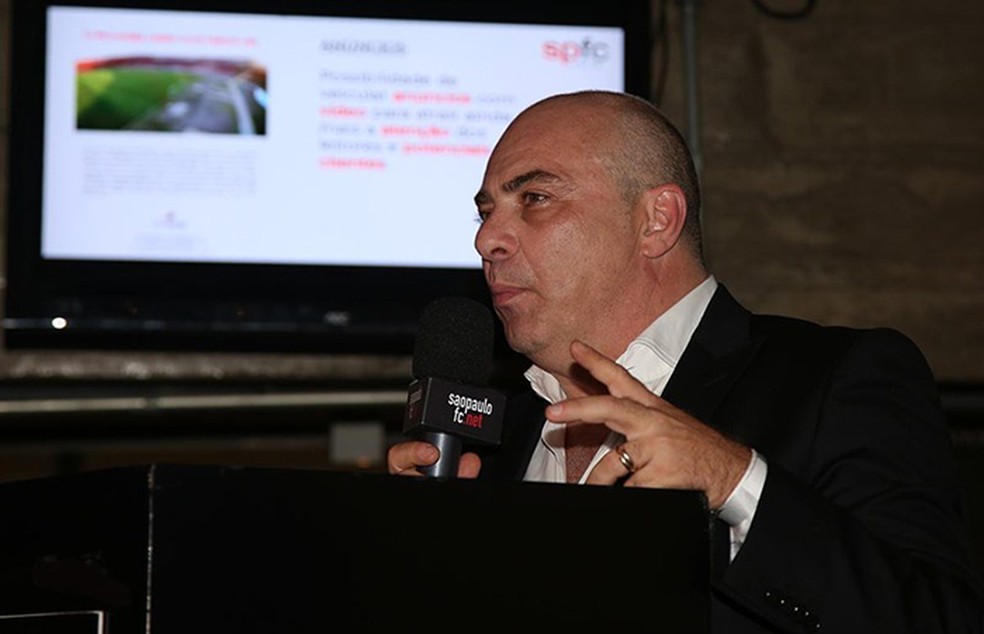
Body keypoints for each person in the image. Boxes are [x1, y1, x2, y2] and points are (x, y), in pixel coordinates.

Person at [386, 90, 984, 632]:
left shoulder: (837, 379)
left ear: (657, 220)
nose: (486, 239)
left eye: (535, 198)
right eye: (485, 211)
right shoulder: (493, 443)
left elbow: (938, 620)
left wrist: (731, 479)